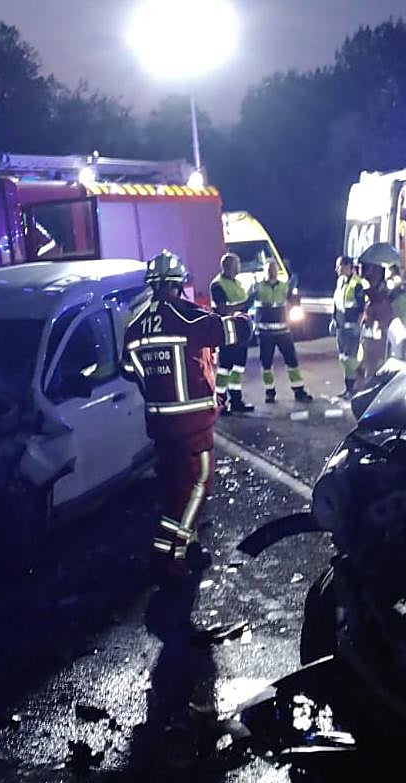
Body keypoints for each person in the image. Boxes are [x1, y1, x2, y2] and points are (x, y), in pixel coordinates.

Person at [122, 251, 252, 639]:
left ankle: (186, 547)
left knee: (173, 488)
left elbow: (132, 371)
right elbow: (233, 334)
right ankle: (170, 558)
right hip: (193, 423)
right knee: (197, 487)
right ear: (179, 282)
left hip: (159, 424)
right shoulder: (190, 316)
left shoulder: (136, 325)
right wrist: (244, 318)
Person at [253, 261, 313, 403]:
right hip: (265, 333)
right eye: (269, 269)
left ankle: (299, 391)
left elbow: (292, 301)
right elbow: (249, 303)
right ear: (265, 271)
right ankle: (269, 392)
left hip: (283, 332)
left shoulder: (284, 286)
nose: (272, 272)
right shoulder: (257, 287)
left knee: (292, 361)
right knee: (266, 364)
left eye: (273, 269)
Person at [209, 253, 255, 414]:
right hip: (227, 333)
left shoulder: (237, 283)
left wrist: (248, 304)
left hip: (241, 333)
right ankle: (220, 403)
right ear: (228, 266)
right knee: (225, 368)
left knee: (238, 368)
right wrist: (245, 304)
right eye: (236, 264)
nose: (239, 267)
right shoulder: (217, 285)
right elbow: (222, 309)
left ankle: (236, 400)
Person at [356, 243, 399, 382]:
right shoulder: (371, 299)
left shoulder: (388, 301)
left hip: (381, 363)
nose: (366, 275)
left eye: (371, 270)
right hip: (370, 362)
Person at [332, 256, 363, 398]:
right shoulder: (340, 282)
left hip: (351, 327)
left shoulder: (357, 284)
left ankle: (353, 389)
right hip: (341, 326)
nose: (336, 269)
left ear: (347, 266)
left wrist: (358, 324)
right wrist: (333, 319)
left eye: (339, 266)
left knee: (351, 359)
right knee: (343, 359)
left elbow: (362, 307)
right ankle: (348, 388)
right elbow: (337, 302)